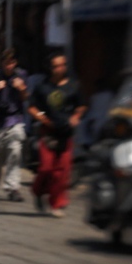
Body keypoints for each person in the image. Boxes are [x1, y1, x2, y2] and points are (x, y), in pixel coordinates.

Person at [28, 51, 87, 218]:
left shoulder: (73, 86)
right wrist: (43, 119)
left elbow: (81, 106)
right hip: (48, 133)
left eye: (62, 65)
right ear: (50, 68)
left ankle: (57, 203)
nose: (60, 69)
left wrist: (76, 116)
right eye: (56, 66)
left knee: (61, 172)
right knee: (46, 168)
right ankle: (38, 191)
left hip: (66, 134)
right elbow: (32, 107)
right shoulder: (43, 87)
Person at [0, 48, 29, 202]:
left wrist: (21, 88)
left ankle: (13, 188)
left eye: (11, 62)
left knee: (15, 152)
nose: (8, 66)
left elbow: (25, 98)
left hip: (15, 120)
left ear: (15, 63)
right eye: (6, 62)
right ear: (1, 63)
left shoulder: (21, 76)